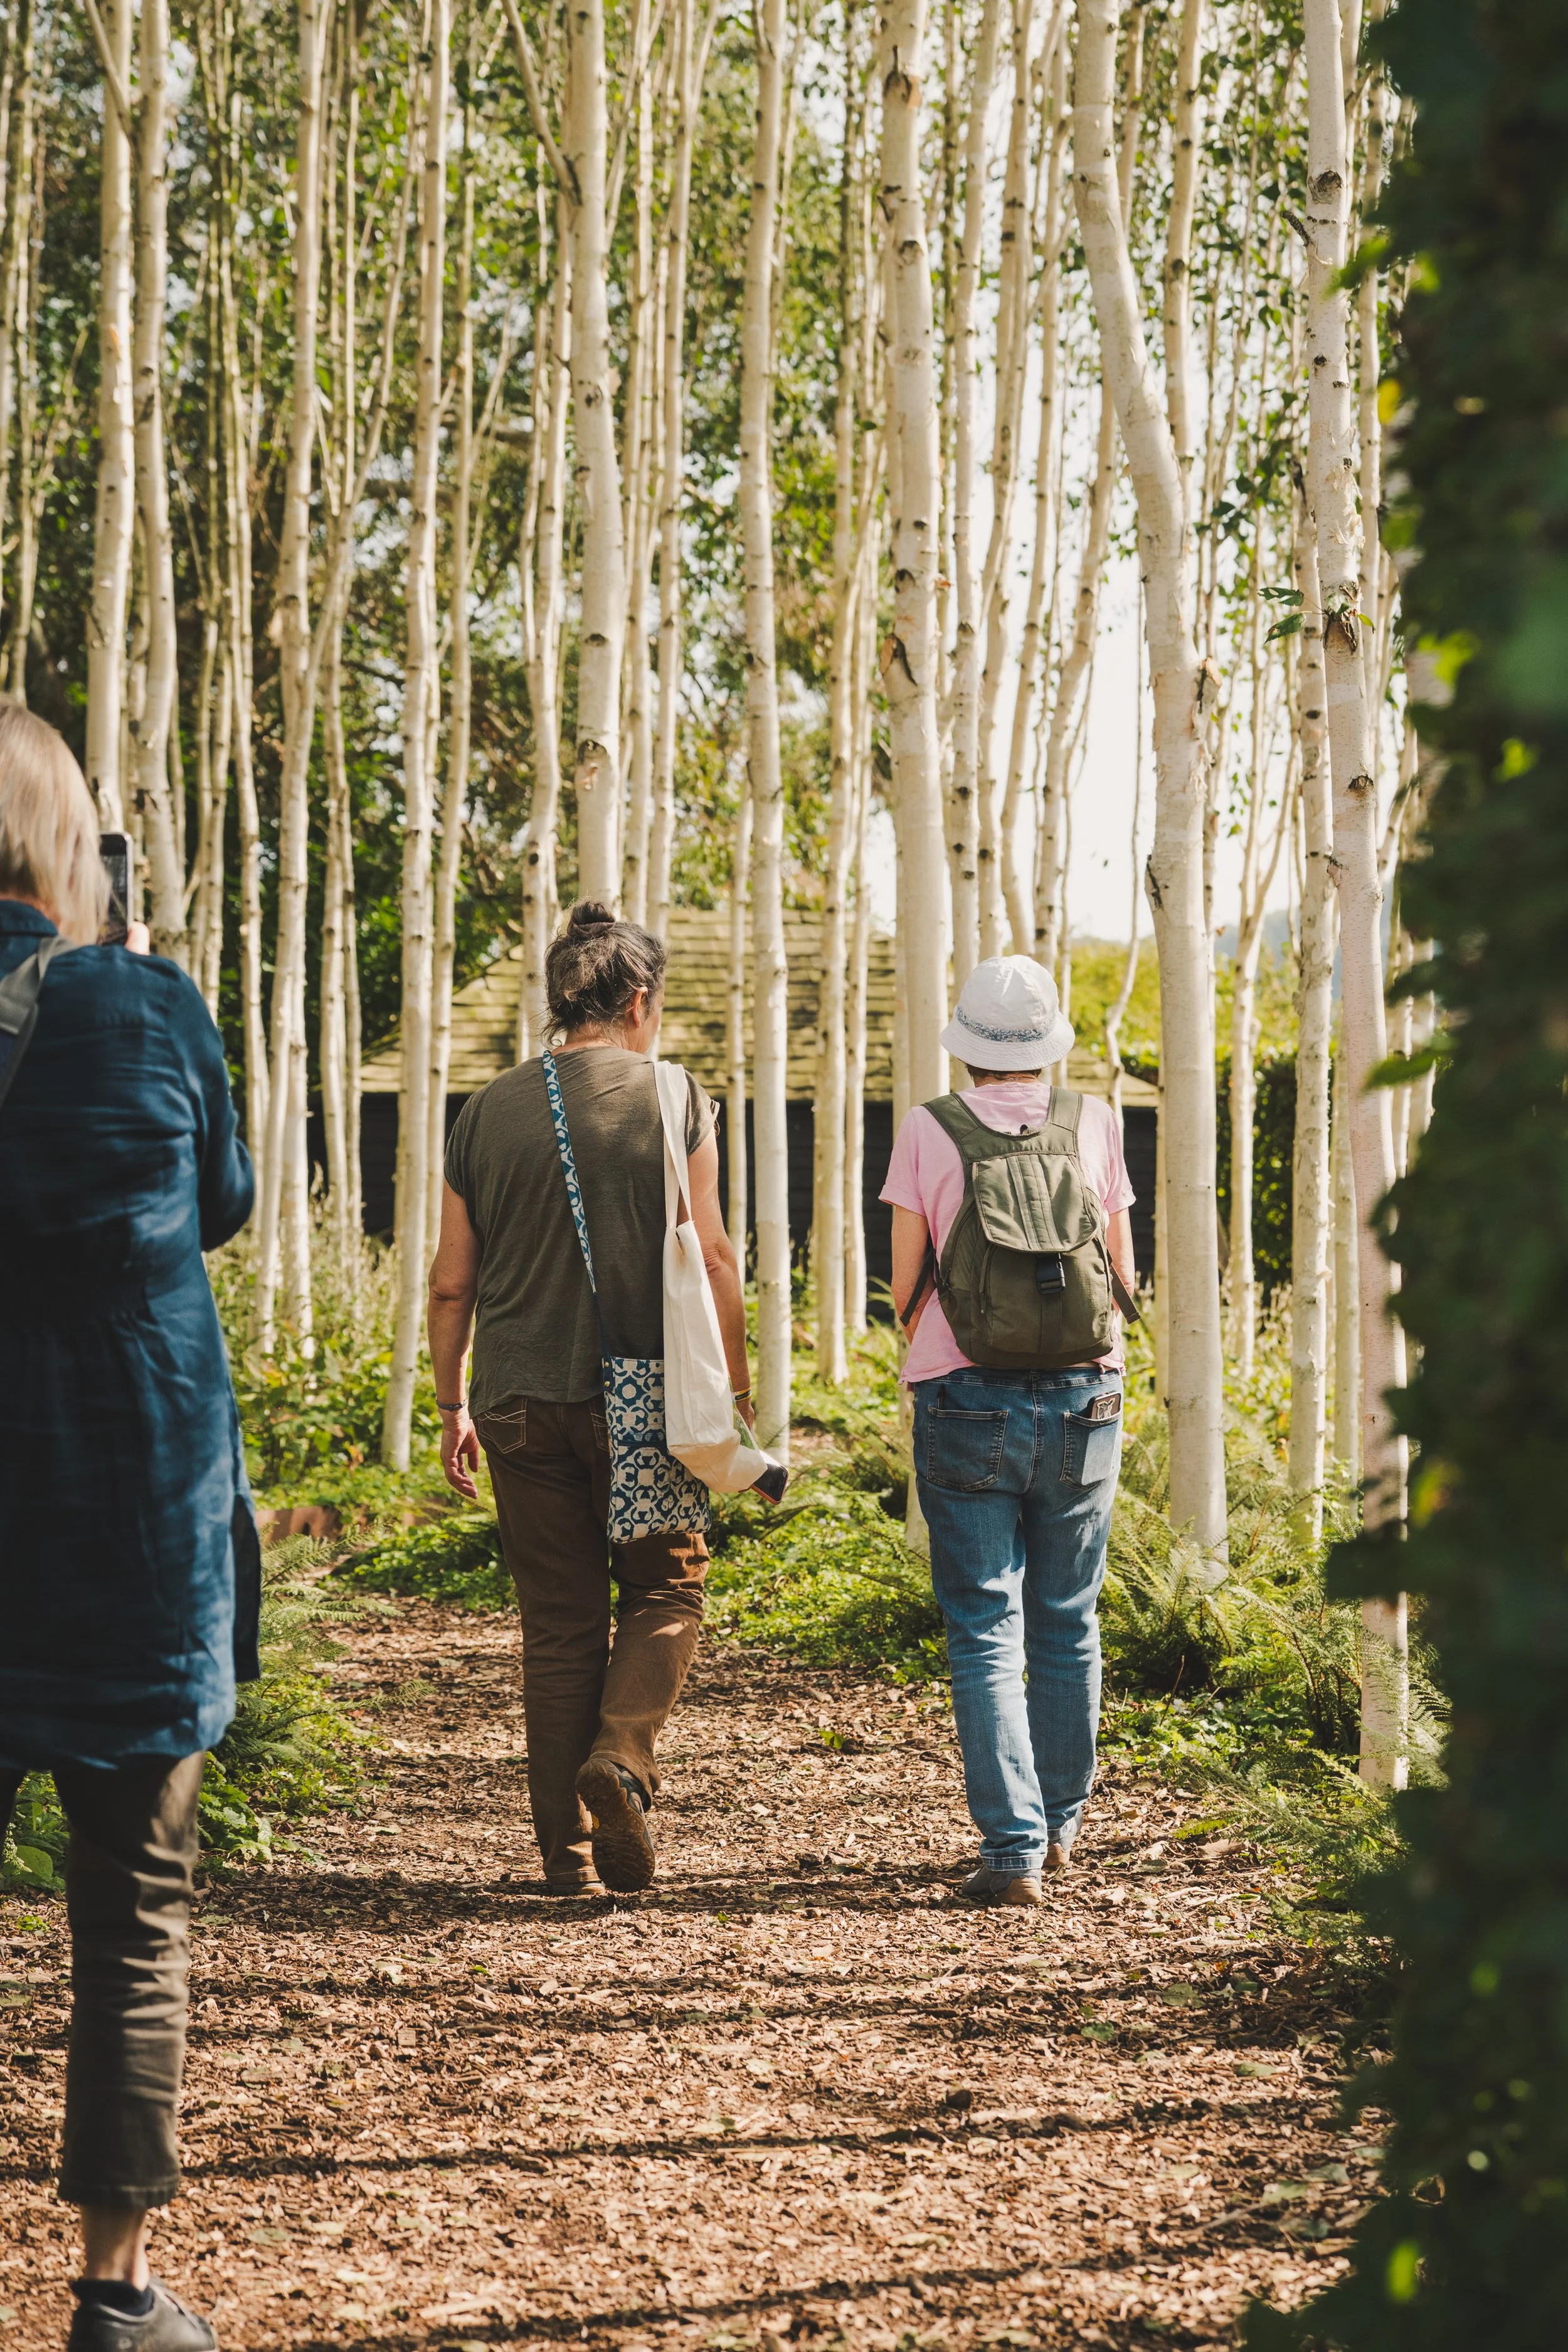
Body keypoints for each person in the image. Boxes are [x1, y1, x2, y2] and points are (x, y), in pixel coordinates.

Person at [0, 706, 255, 2351]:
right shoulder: (149, 1004)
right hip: (139, 1523)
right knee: (132, 1921)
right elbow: (220, 1196)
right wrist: (141, 976)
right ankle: (115, 2292)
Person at [430, 900, 752, 1896]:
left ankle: (566, 1860)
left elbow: (452, 1279)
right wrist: (731, 1389)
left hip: (520, 1397)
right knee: (665, 1588)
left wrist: (451, 1404)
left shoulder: (483, 1111)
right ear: (640, 1001)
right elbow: (713, 1249)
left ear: (561, 1001)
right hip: (647, 1400)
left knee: (559, 1624)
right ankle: (620, 1757)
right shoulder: (672, 1094)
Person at [882, 955, 1137, 1908]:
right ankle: (1062, 1825)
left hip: (966, 1396)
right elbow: (1119, 1269)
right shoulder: (1097, 1122)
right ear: (1048, 1046)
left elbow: (906, 1281)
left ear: (967, 1046)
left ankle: (1012, 1850)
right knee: (1068, 1618)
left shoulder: (926, 1127)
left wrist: (932, 1359)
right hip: (1085, 1398)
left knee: (985, 1625)